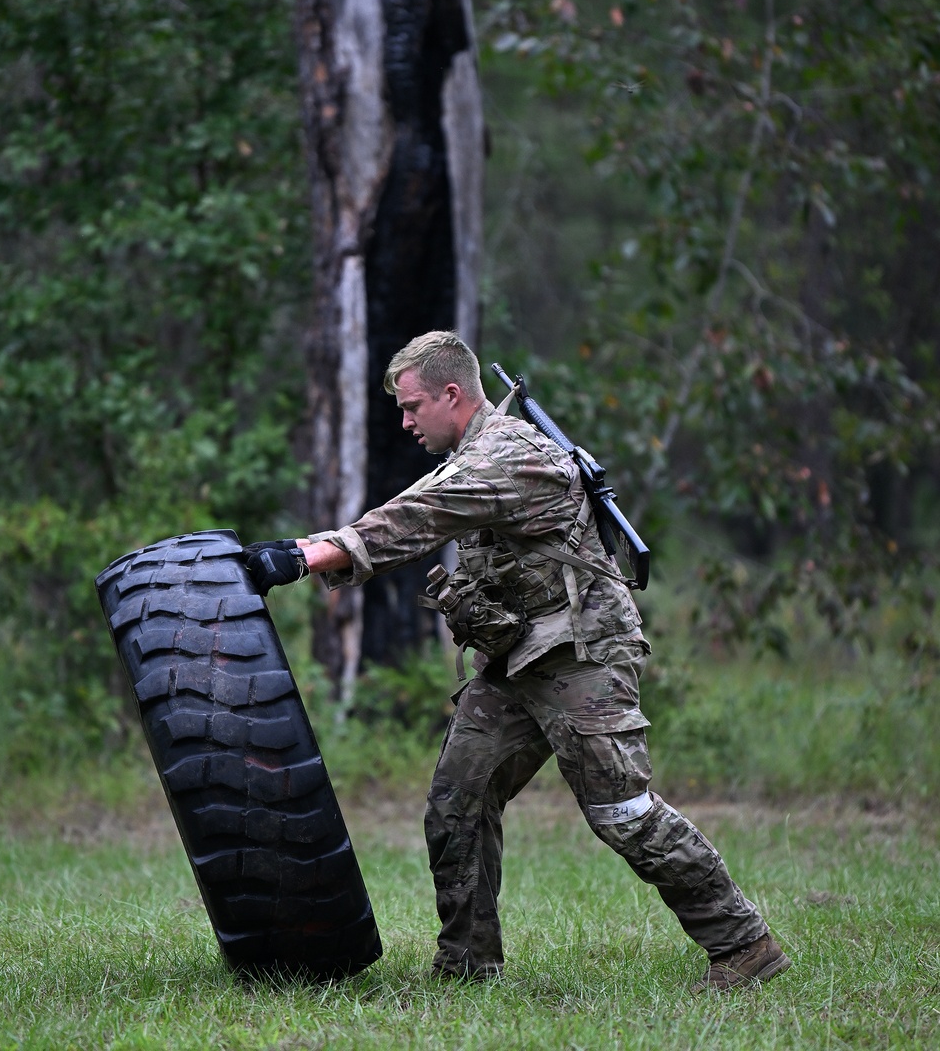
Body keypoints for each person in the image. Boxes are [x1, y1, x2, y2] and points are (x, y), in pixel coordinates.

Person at [244, 330, 791, 992]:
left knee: (623, 812)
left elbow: (417, 517)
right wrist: (311, 545)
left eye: (414, 405)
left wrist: (306, 555)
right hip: (518, 659)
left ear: (453, 394)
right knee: (457, 804)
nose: (406, 420)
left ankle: (743, 945)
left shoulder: (505, 454)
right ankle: (467, 970)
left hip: (581, 655)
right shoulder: (477, 451)